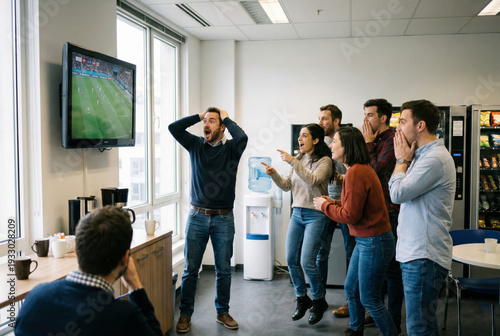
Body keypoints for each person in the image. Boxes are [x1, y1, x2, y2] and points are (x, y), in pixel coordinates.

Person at [14, 206, 162, 336]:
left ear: (77, 251)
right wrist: (135, 287)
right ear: (125, 258)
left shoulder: (35, 298)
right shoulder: (125, 318)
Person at [168, 107, 248, 333]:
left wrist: (227, 117)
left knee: (223, 269)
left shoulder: (232, 149)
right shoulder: (195, 145)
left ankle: (222, 312)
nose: (206, 124)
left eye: (212, 121)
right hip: (197, 217)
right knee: (190, 270)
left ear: (222, 127)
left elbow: (242, 136)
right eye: (205, 121)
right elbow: (173, 128)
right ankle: (185, 315)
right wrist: (199, 115)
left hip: (224, 218)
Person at [313, 127, 398, 336]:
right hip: (367, 240)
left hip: (374, 242)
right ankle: (355, 329)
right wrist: (333, 202)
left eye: (335, 142)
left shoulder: (356, 172)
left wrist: (325, 207)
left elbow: (351, 215)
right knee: (351, 288)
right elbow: (356, 204)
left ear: (347, 147)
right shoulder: (357, 170)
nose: (331, 145)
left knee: (370, 298)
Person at [389, 100, 455, 335]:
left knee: (419, 327)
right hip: (416, 254)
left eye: (403, 121)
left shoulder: (433, 159)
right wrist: (405, 160)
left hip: (423, 256)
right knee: (423, 325)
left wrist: (400, 161)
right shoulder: (419, 155)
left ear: (421, 125)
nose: (398, 128)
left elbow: (397, 193)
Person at [263, 123, 333, 325]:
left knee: (306, 261)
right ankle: (302, 298)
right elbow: (287, 187)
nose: (299, 139)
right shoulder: (300, 159)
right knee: (291, 259)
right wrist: (274, 174)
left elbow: (312, 180)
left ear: (316, 140)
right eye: (299, 136)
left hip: (316, 215)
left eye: (304, 136)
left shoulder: (325, 161)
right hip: (297, 213)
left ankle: (319, 300)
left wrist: (293, 161)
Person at [362, 98, 403, 334]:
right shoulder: (374, 139)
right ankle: (376, 313)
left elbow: (375, 171)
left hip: (390, 213)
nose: (365, 119)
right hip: (372, 213)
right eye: (365, 114)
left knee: (393, 271)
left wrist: (367, 144)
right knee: (375, 269)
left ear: (383, 118)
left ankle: (394, 322)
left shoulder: (392, 139)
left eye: (369, 115)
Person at [317, 104, 355, 318]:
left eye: (325, 119)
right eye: (320, 118)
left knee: (352, 253)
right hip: (325, 204)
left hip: (346, 202)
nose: (321, 123)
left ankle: (351, 304)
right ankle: (319, 299)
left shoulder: (347, 141)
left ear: (336, 121)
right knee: (321, 253)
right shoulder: (319, 143)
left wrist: (343, 177)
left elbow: (354, 168)